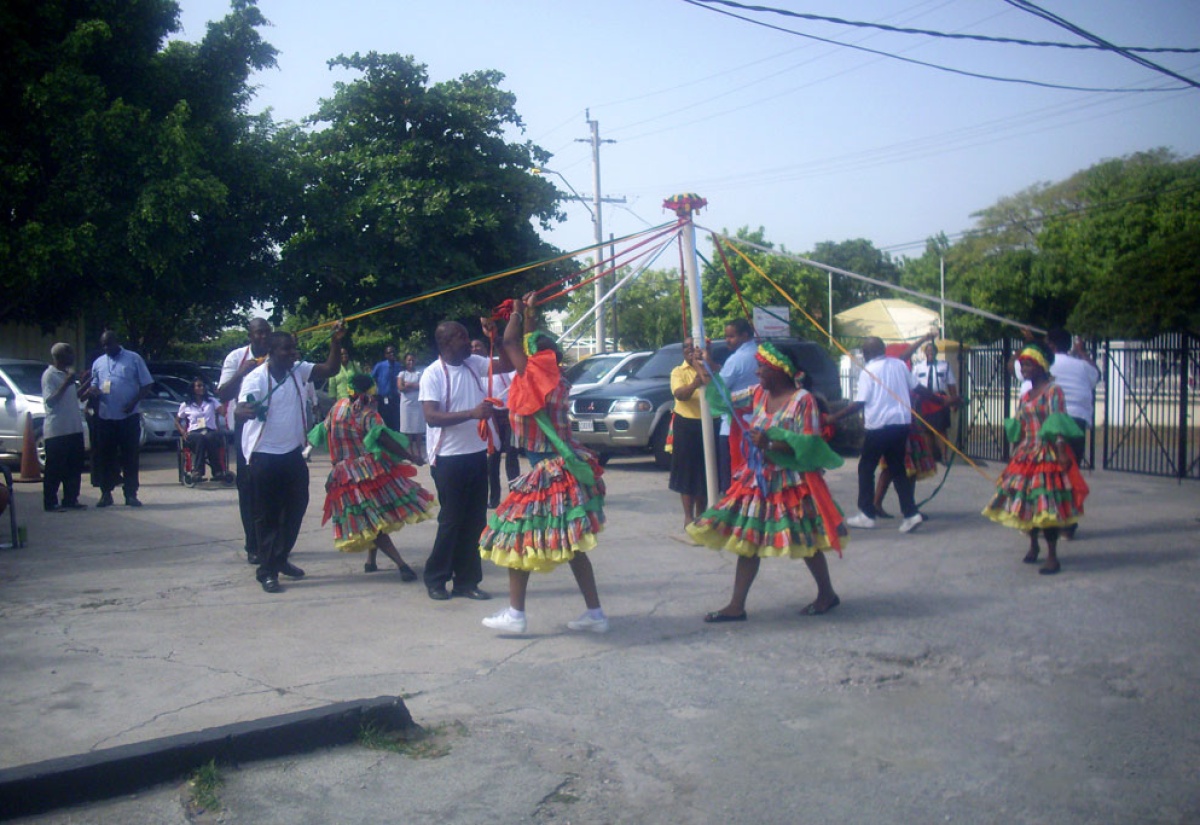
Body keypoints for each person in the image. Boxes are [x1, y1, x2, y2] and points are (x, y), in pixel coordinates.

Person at [687, 341, 847, 621]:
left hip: (791, 483)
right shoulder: (758, 394)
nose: (758, 372)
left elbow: (808, 445)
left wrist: (772, 444)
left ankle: (827, 593)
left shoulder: (803, 400)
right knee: (748, 538)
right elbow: (721, 399)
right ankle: (736, 605)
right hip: (757, 480)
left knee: (806, 540)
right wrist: (705, 367)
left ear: (780, 371)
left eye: (763, 367)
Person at [480, 292, 609, 634]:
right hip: (565, 468)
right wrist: (529, 314)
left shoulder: (532, 378)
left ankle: (516, 615)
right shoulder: (557, 380)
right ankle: (595, 614)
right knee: (571, 544)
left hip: (546, 470)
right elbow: (525, 344)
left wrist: (517, 313)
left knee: (516, 536)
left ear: (533, 358)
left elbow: (509, 340)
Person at [236, 325, 344, 594]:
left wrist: (335, 341)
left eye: (294, 349)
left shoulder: (298, 370)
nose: (293, 354)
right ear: (272, 353)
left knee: (296, 508)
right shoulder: (256, 379)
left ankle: (280, 557)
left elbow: (329, 369)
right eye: (287, 350)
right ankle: (267, 571)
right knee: (267, 517)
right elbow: (241, 407)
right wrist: (244, 411)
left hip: (293, 455)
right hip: (263, 457)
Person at [308, 373, 434, 580]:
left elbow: (320, 433)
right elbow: (385, 439)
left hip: (342, 475)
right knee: (374, 521)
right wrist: (411, 457)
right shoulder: (368, 415)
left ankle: (371, 561)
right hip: (365, 473)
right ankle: (401, 565)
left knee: (373, 517)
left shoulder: (336, 408)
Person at [419, 319, 510, 601]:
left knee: (474, 521)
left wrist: (497, 337)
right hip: (448, 459)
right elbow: (431, 417)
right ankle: (436, 578)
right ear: (446, 343)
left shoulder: (474, 364)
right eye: (460, 336)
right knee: (451, 520)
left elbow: (506, 365)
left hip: (475, 454)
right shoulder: (432, 374)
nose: (467, 340)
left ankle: (467, 581)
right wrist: (471, 414)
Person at [982, 341, 1088, 575]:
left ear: (1041, 366)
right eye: (1023, 365)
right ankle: (1033, 545)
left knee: (1046, 504)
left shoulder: (1053, 391)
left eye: (1028, 365)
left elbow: (1057, 421)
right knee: (1026, 502)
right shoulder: (1026, 395)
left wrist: (1061, 452)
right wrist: (1014, 452)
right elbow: (1020, 425)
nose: (1025, 369)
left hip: (1047, 452)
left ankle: (1052, 556)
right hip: (1026, 453)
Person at [828, 336, 925, 534]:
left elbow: (859, 403)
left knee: (866, 468)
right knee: (898, 469)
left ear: (866, 354)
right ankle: (910, 513)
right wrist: (942, 401)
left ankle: (866, 514)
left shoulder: (868, 371)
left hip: (879, 427)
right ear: (883, 350)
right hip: (901, 425)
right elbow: (918, 388)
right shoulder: (899, 364)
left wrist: (833, 417)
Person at [218, 318, 272, 564]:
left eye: (266, 333)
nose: (263, 337)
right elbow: (223, 393)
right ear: (249, 336)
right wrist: (242, 373)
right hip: (245, 432)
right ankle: (253, 544)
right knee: (249, 489)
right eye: (258, 333)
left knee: (275, 489)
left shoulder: (277, 356)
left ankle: (273, 543)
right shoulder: (236, 358)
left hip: (273, 430)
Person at [86, 330, 153, 508]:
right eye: (104, 345)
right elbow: (94, 383)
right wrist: (93, 390)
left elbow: (147, 384)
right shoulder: (98, 363)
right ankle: (106, 493)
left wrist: (133, 403)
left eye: (109, 344)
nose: (107, 348)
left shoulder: (133, 359)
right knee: (105, 457)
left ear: (117, 342)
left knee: (129, 457)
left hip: (128, 417)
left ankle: (131, 494)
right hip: (105, 417)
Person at [707, 318, 758, 493]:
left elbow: (718, 389)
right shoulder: (762, 354)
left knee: (733, 480)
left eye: (731, 336)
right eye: (727, 336)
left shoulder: (737, 359)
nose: (727, 340)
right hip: (760, 423)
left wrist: (705, 367)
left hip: (735, 426)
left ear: (744, 335)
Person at [669, 337, 710, 535]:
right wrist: (695, 381)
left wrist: (701, 366)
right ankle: (688, 515)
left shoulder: (708, 367)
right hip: (686, 424)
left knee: (705, 472)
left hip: (708, 424)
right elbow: (681, 394)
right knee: (686, 473)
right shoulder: (678, 372)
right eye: (685, 347)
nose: (689, 350)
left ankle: (702, 515)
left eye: (693, 346)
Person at [41, 343, 90, 512]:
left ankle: (70, 499)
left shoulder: (66, 375)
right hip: (57, 430)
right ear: (60, 357)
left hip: (73, 428)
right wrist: (66, 383)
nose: (73, 358)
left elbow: (73, 396)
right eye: (69, 355)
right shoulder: (50, 375)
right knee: (55, 468)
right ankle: (50, 502)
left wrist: (87, 386)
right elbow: (50, 401)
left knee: (74, 466)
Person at [1045, 328, 1100, 469]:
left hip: (1052, 420)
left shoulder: (1045, 363)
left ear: (1051, 345)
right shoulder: (1081, 365)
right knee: (1073, 467)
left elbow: (1017, 372)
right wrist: (1081, 352)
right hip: (1078, 419)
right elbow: (1096, 375)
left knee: (1050, 469)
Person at [909, 333, 961, 463]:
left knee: (941, 429)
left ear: (937, 352)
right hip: (924, 400)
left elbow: (951, 384)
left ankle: (944, 456)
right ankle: (930, 457)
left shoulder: (944, 366)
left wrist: (953, 401)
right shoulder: (918, 367)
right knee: (926, 430)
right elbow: (912, 385)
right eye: (928, 351)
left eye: (933, 351)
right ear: (925, 353)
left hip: (940, 400)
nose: (930, 353)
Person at [175, 377, 232, 483]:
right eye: (199, 386)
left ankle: (218, 472)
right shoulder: (186, 405)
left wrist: (224, 398)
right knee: (200, 438)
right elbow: (177, 421)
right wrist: (183, 432)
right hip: (194, 433)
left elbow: (223, 412)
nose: (202, 388)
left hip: (210, 431)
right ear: (193, 388)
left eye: (202, 386)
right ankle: (198, 472)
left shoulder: (211, 401)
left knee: (210, 437)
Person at [396, 352, 427, 464]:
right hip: (406, 405)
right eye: (409, 360)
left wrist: (409, 385)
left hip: (417, 403)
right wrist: (413, 387)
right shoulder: (401, 374)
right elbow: (400, 387)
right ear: (405, 361)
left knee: (418, 429)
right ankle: (411, 453)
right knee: (408, 429)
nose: (411, 362)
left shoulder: (419, 374)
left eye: (412, 360)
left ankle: (419, 452)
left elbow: (423, 386)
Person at [372, 345, 403, 431]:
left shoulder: (399, 366)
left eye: (393, 352)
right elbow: (371, 378)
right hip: (383, 398)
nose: (391, 354)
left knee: (396, 421)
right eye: (389, 353)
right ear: (385, 355)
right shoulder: (380, 366)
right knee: (384, 420)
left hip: (395, 398)